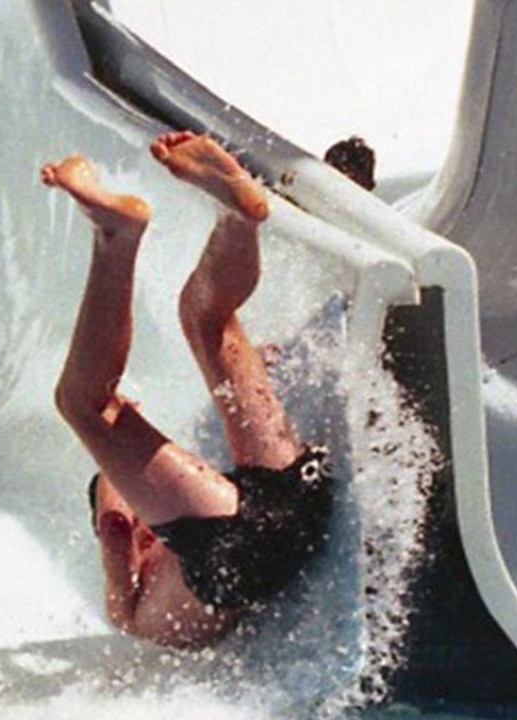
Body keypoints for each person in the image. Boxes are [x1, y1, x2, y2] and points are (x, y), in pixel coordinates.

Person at [42, 131, 334, 648]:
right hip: (287, 493)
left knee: (87, 407)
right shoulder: (177, 546)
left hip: (275, 531)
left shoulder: (135, 615)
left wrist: (118, 473)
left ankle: (168, 225)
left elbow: (113, 524)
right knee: (206, 319)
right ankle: (235, 219)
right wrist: (116, 460)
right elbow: (115, 516)